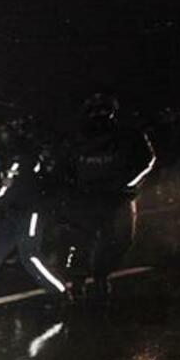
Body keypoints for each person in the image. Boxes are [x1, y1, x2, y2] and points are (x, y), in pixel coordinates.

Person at [63, 93, 156, 302]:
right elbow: (65, 166)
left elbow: (146, 161)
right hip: (88, 197)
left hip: (117, 197)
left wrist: (127, 184)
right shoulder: (77, 138)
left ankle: (100, 275)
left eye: (103, 109)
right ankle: (79, 281)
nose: (99, 115)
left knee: (120, 240)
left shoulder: (128, 135)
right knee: (82, 240)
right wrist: (72, 189)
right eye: (94, 110)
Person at [0, 122, 69, 299]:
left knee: (29, 254)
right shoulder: (13, 159)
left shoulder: (18, 162)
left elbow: (4, 192)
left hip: (30, 212)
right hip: (13, 211)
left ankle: (59, 290)